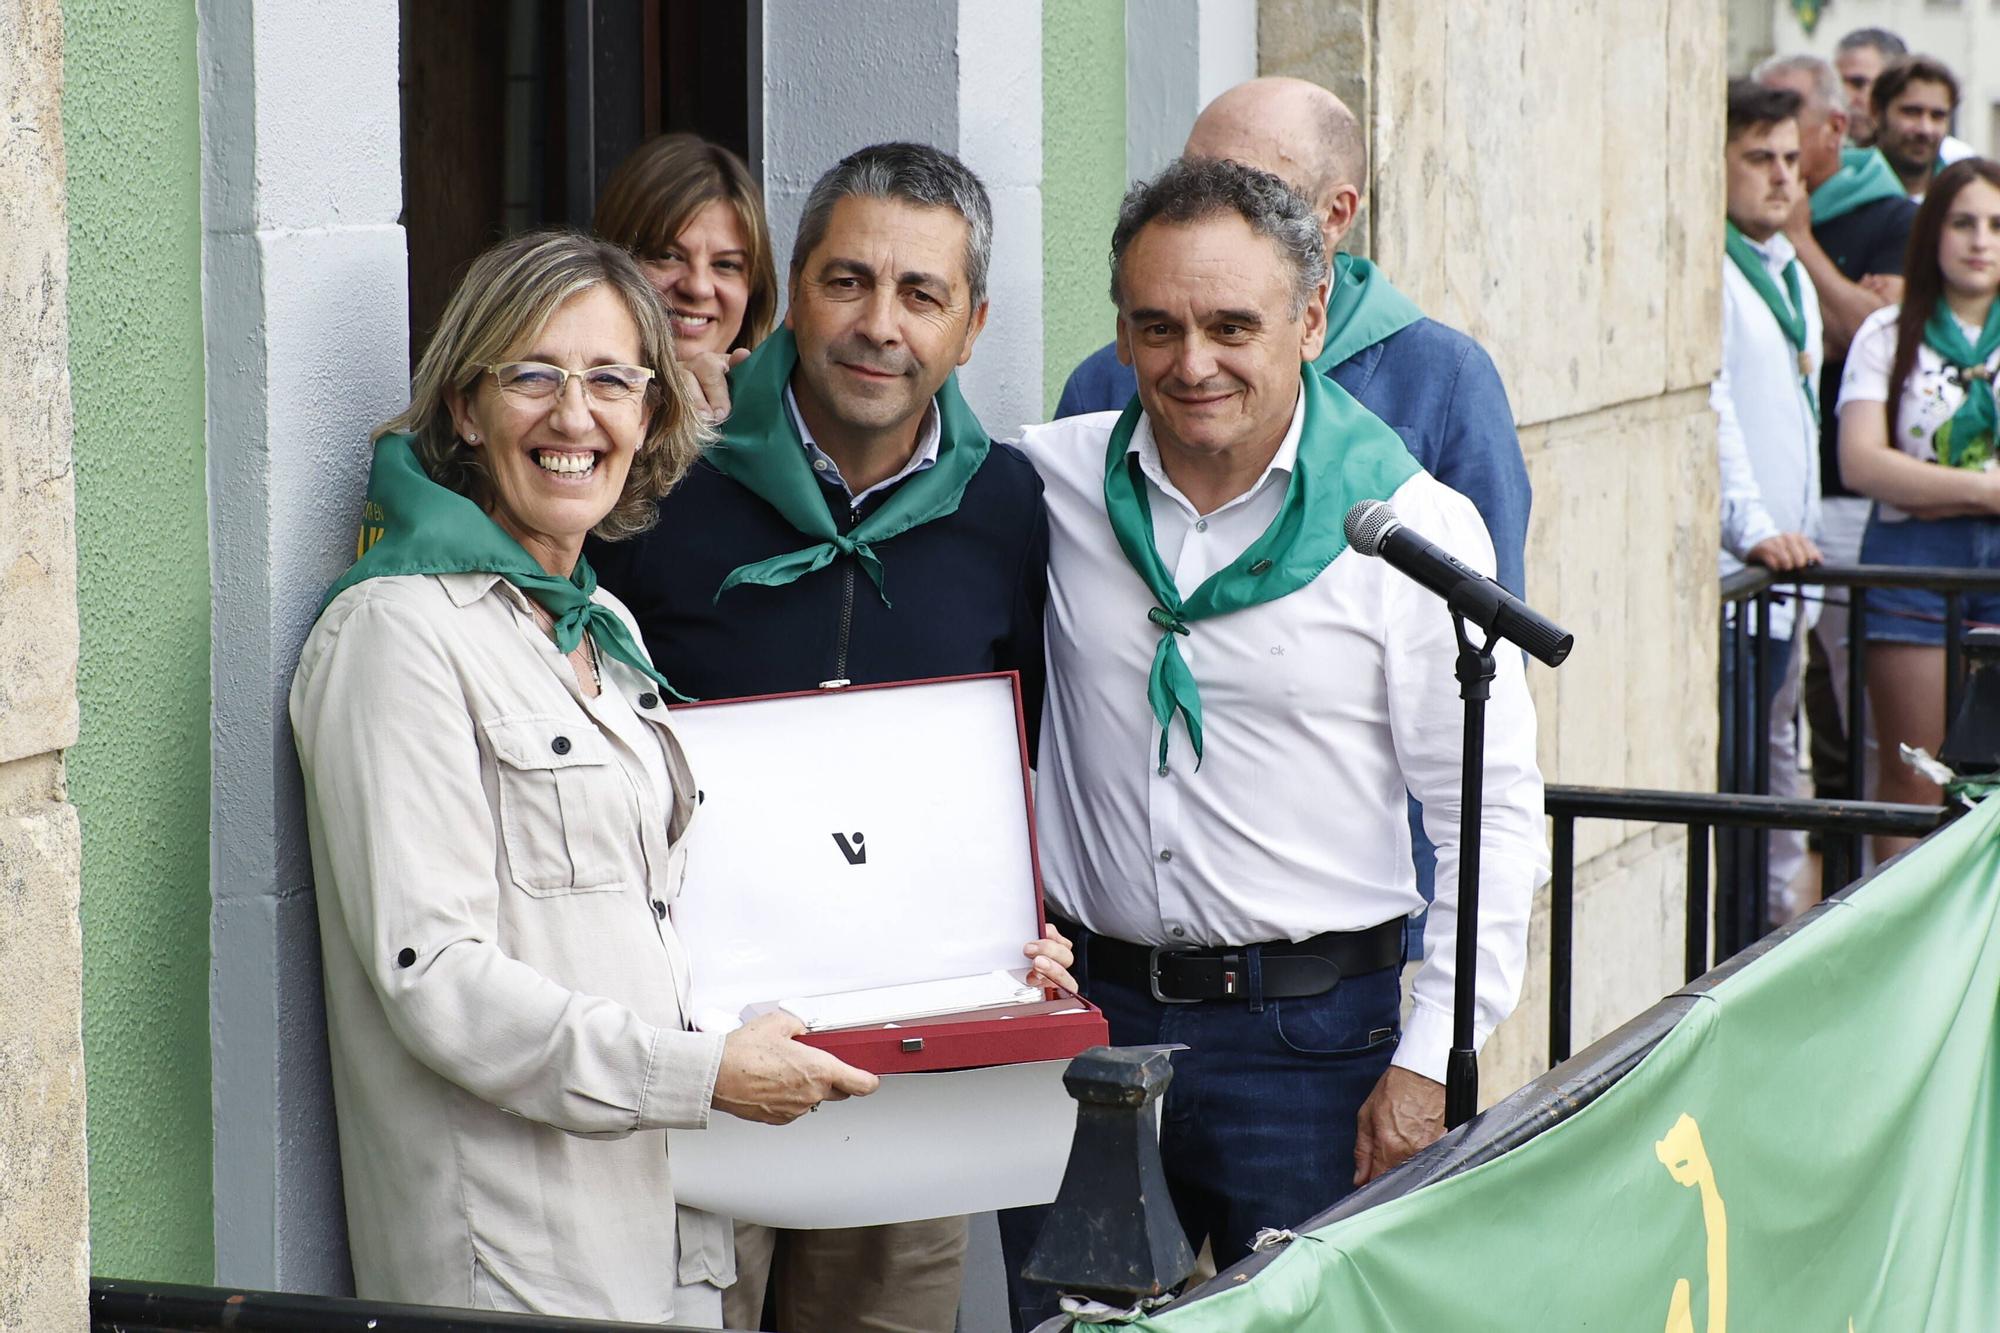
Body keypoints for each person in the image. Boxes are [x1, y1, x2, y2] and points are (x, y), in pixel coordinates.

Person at [289, 230, 880, 1325]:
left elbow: (673, 910)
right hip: (514, 1252)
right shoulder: (398, 634)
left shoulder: (602, 624)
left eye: (611, 379)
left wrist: (966, 956)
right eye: (533, 375)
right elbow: (435, 975)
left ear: (651, 414)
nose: (576, 416)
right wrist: (698, 1077)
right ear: (465, 409)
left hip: (671, 1220)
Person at [1021, 155, 1544, 1294]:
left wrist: (1422, 1064)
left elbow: (1489, 814)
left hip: (1313, 1050)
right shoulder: (1047, 486)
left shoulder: (1409, 528)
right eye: (1154, 326)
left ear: (1309, 319)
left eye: (1229, 324)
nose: (1189, 361)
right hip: (1085, 1033)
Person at [588, 142, 1075, 1333]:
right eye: (847, 281)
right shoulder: (655, 484)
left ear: (969, 326)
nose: (878, 324)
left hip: (907, 1068)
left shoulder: (1006, 503)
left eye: (920, 294)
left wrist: (1023, 920)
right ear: (792, 291)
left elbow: (1010, 753)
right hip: (702, 1056)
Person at [1055, 77, 1530, 602]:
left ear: (1337, 212)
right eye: (1194, 181)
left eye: (1255, 188)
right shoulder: (1110, 379)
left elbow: (1486, 624)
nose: (1194, 367)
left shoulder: (1444, 378)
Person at [1756, 54, 1918, 802]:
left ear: (1835, 128)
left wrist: (1805, 245)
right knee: (1792, 712)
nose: (1779, 150)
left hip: (1852, 505)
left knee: (1874, 720)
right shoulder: (1755, 222)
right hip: (1781, 508)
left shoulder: (1889, 214)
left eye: (1791, 123)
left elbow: (1868, 332)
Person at [1838, 158, 2000, 857]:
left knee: (1991, 777)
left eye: (1996, 225)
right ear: (1933, 230)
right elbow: (1862, 461)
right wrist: (1986, 492)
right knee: (1912, 778)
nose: (1980, 240)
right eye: (1963, 222)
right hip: (1908, 564)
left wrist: (1924, 486)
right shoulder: (1886, 332)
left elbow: (1897, 469)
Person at [1713, 79, 1824, 920]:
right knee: (1742, 814)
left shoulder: (1785, 270)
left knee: (1779, 796)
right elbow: (1713, 409)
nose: (1782, 176)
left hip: (1792, 590)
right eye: (1759, 158)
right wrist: (1752, 528)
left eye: (1790, 158)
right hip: (1743, 588)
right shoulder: (1715, 272)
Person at [595, 133, 779, 360]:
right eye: (668, 256)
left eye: (725, 264)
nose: (698, 288)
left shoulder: (782, 395)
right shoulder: (558, 393)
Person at [1835, 29, 1975, 168]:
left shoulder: (1958, 166)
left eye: (1859, 84)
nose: (1846, 98)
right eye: (1836, 86)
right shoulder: (1831, 164)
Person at [1871, 55, 1967, 200]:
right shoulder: (1847, 193)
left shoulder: (1962, 195)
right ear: (1877, 112)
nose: (1925, 129)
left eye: (1937, 116)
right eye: (1911, 112)